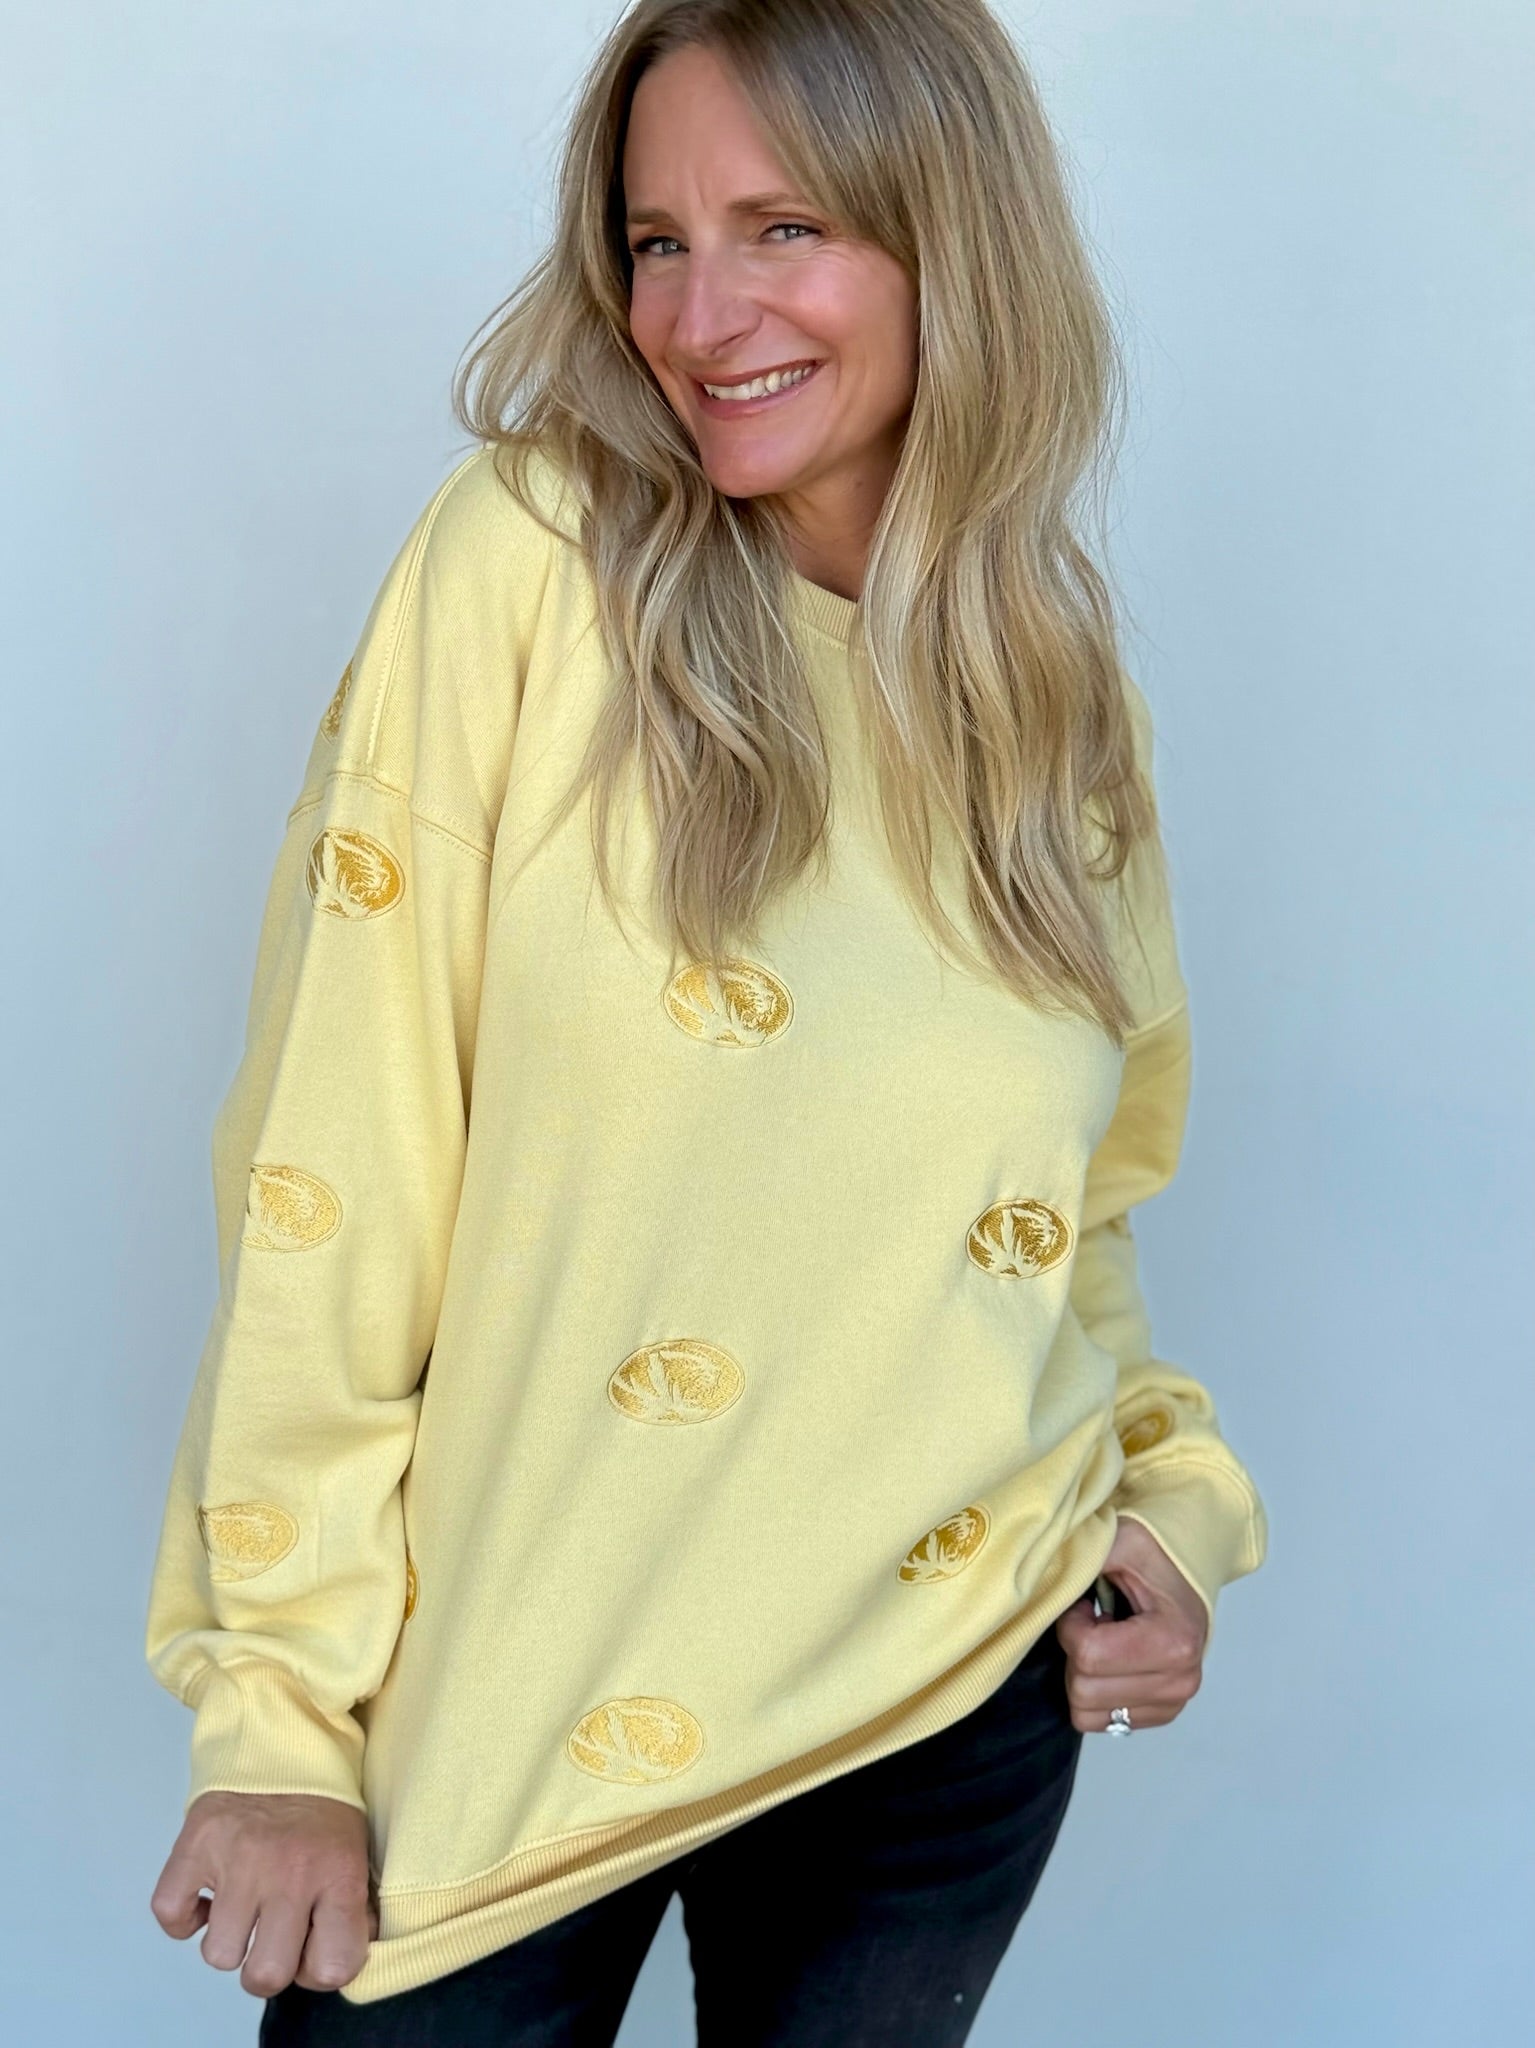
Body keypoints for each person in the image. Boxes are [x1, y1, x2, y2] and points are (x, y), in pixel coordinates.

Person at [144, 2, 1268, 2041]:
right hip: (510, 1740)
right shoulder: (529, 565)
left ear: (954, 241)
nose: (698, 314)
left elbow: (1070, 1205)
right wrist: (282, 1720)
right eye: (655, 241)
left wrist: (1172, 1503)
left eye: (784, 228)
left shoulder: (1048, 681)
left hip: (945, 1706)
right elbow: (336, 1168)